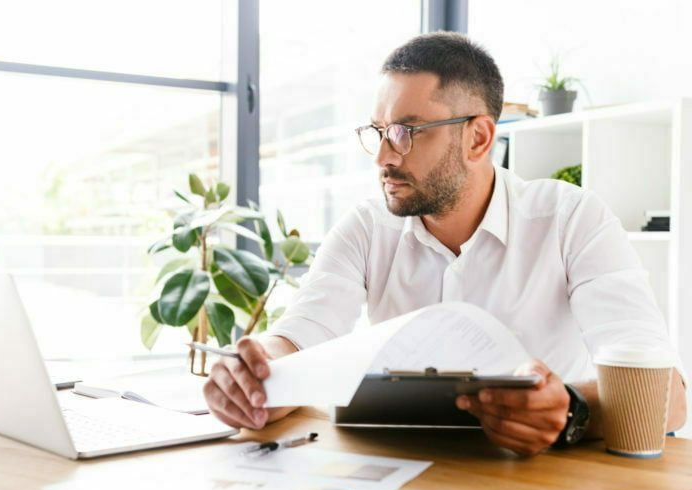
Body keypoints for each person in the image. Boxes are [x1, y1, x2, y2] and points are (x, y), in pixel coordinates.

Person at [202, 31, 687, 456]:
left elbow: (667, 396)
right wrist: (253, 372)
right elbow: (299, 337)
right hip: (398, 473)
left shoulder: (571, 219)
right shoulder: (366, 227)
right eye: (378, 132)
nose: (384, 158)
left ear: (478, 139)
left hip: (539, 480)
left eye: (406, 132)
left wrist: (572, 409)